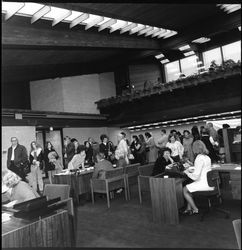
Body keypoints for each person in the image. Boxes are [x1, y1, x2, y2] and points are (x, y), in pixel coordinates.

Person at [182, 140, 214, 215]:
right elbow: (202, 169)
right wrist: (193, 170)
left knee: (185, 189)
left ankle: (195, 209)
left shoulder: (199, 158)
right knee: (190, 186)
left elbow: (195, 177)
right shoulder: (207, 157)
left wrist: (187, 172)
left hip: (203, 183)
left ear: (195, 148)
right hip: (209, 182)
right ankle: (188, 208)